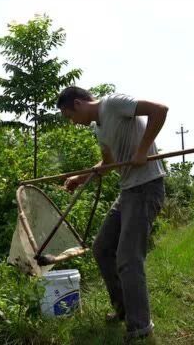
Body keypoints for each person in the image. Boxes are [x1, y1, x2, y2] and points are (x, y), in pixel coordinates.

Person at [56, 86, 167, 341]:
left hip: (147, 188)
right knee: (102, 248)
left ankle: (140, 327)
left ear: (78, 104)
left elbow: (159, 111)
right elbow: (108, 164)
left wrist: (142, 151)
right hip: (128, 192)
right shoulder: (99, 127)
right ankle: (124, 310)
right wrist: (80, 178)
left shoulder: (114, 104)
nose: (72, 123)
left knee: (128, 258)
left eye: (69, 116)